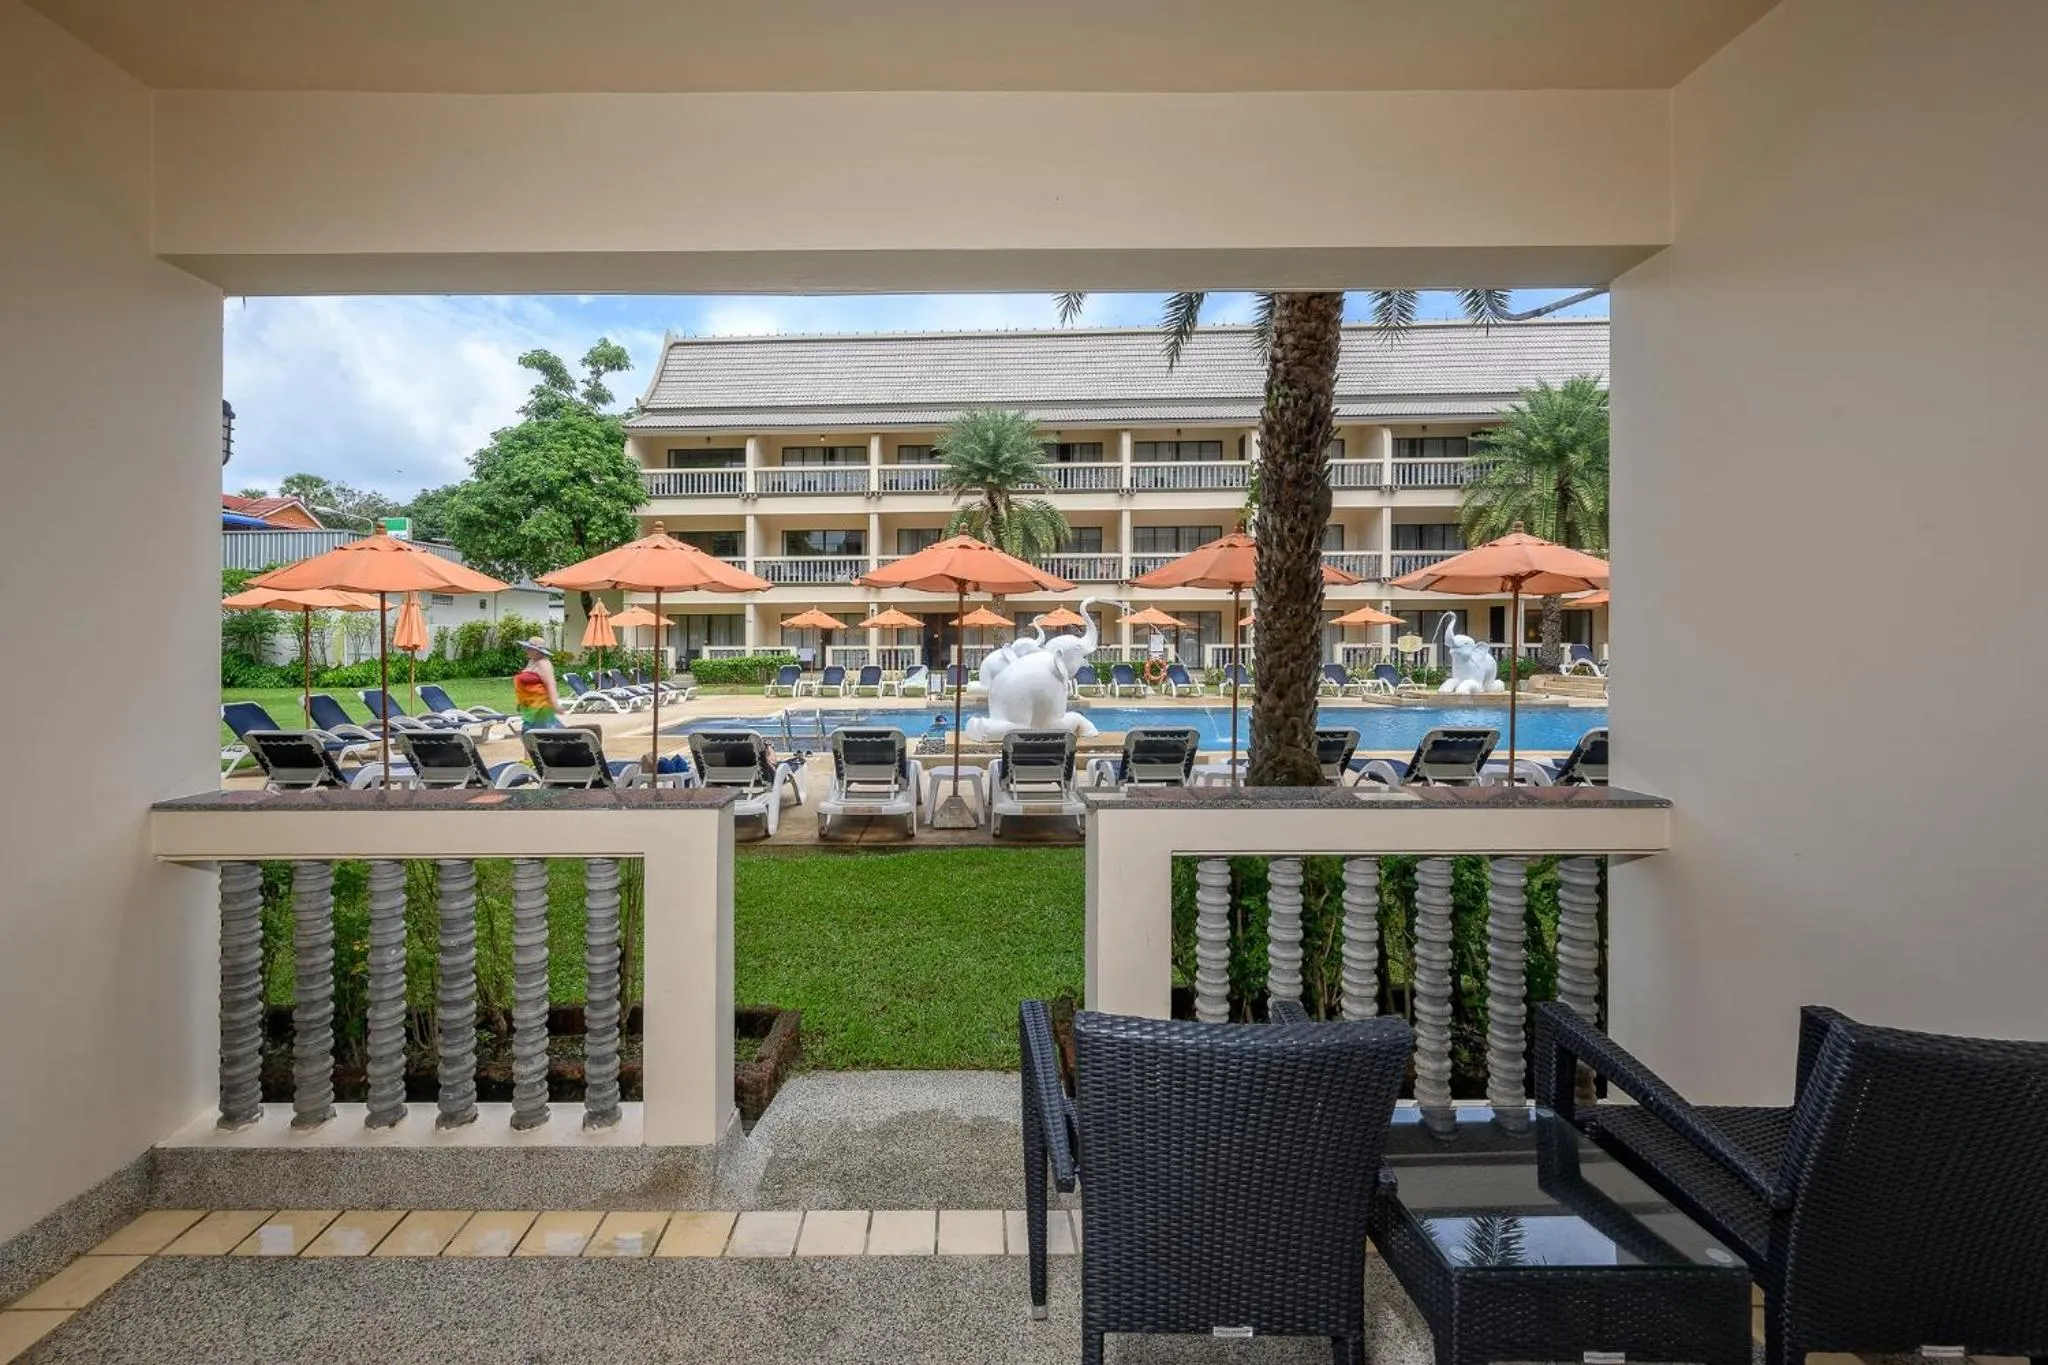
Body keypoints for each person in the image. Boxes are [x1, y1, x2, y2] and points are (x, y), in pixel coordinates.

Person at [512, 637, 563, 730]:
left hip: (541, 707)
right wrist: (519, 702)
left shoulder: (544, 664)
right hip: (530, 707)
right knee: (532, 732)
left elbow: (550, 684)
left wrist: (555, 703)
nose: (526, 650)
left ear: (538, 651)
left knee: (539, 733)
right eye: (526, 647)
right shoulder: (532, 662)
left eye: (529, 648)